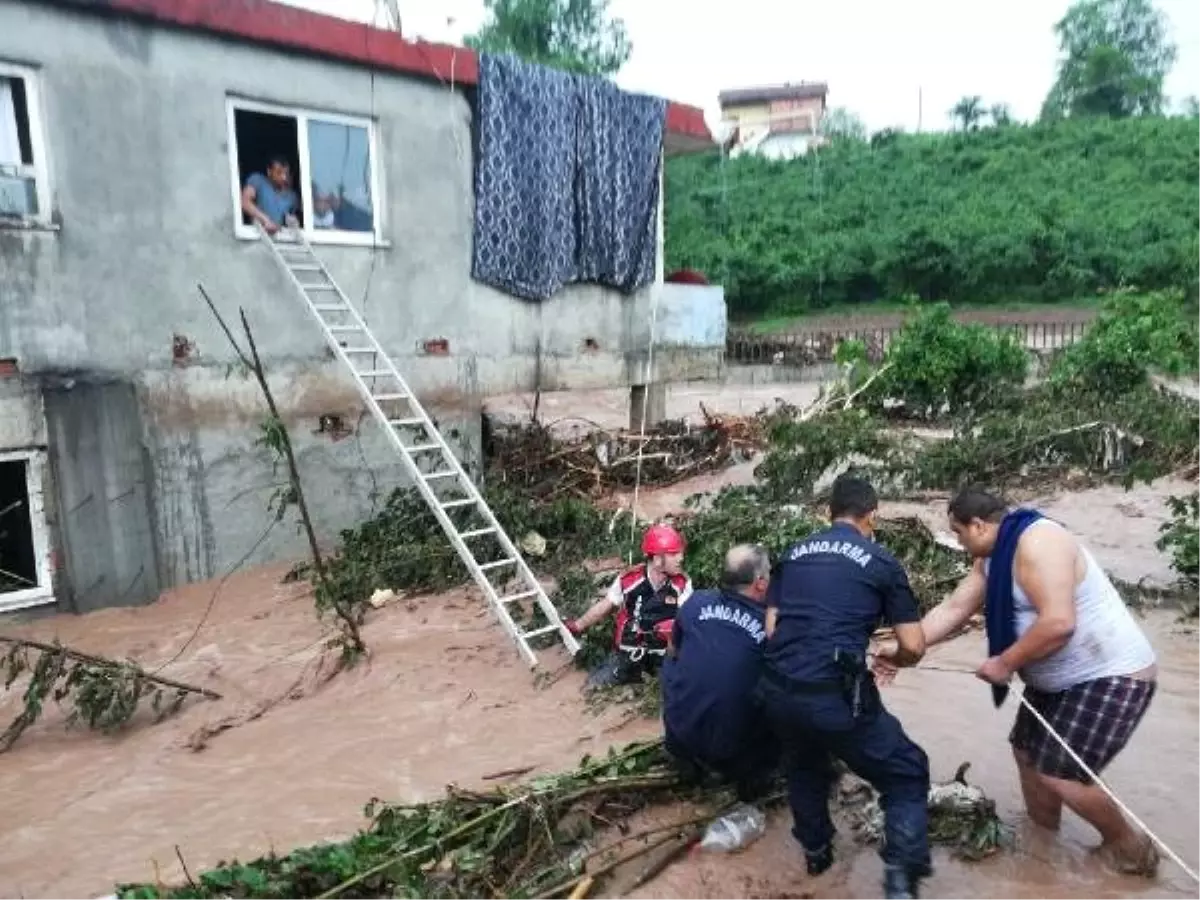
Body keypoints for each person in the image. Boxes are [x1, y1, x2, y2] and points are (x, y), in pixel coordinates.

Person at [875, 486, 1159, 877]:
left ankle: (1130, 851)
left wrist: (1004, 663)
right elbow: (956, 607)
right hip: (1056, 680)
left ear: (977, 524)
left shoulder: (1040, 543)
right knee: (1027, 754)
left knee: (1060, 771)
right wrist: (905, 648)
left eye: (957, 532)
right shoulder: (992, 557)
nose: (957, 541)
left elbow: (1059, 623)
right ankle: (1044, 844)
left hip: (1110, 674)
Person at [757, 474, 931, 900]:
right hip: (833, 696)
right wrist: (892, 656)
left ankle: (817, 855)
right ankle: (901, 881)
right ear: (873, 515)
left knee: (803, 764)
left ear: (827, 514)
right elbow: (914, 644)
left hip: (777, 690)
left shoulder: (793, 554)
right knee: (907, 772)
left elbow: (772, 628)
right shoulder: (882, 562)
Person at [661, 544, 780, 802]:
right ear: (760, 584)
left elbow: (672, 651)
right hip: (734, 755)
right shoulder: (771, 626)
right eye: (769, 573)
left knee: (671, 659)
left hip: (680, 738)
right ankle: (753, 779)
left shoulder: (695, 602)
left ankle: (686, 756)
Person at [566, 523, 692, 689]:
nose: (681, 558)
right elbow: (605, 606)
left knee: (678, 688)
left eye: (680, 553)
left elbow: (689, 623)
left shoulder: (682, 584)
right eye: (674, 554)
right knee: (592, 686)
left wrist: (673, 632)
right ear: (657, 559)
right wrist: (578, 625)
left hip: (662, 656)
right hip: (627, 653)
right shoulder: (628, 579)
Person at [241, 156, 298, 234]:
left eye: (286, 173)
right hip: (256, 234)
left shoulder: (291, 196)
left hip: (279, 236)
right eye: (279, 172)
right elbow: (245, 202)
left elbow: (291, 216)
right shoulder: (258, 180)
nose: (283, 177)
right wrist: (265, 220)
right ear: (269, 171)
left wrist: (292, 221)